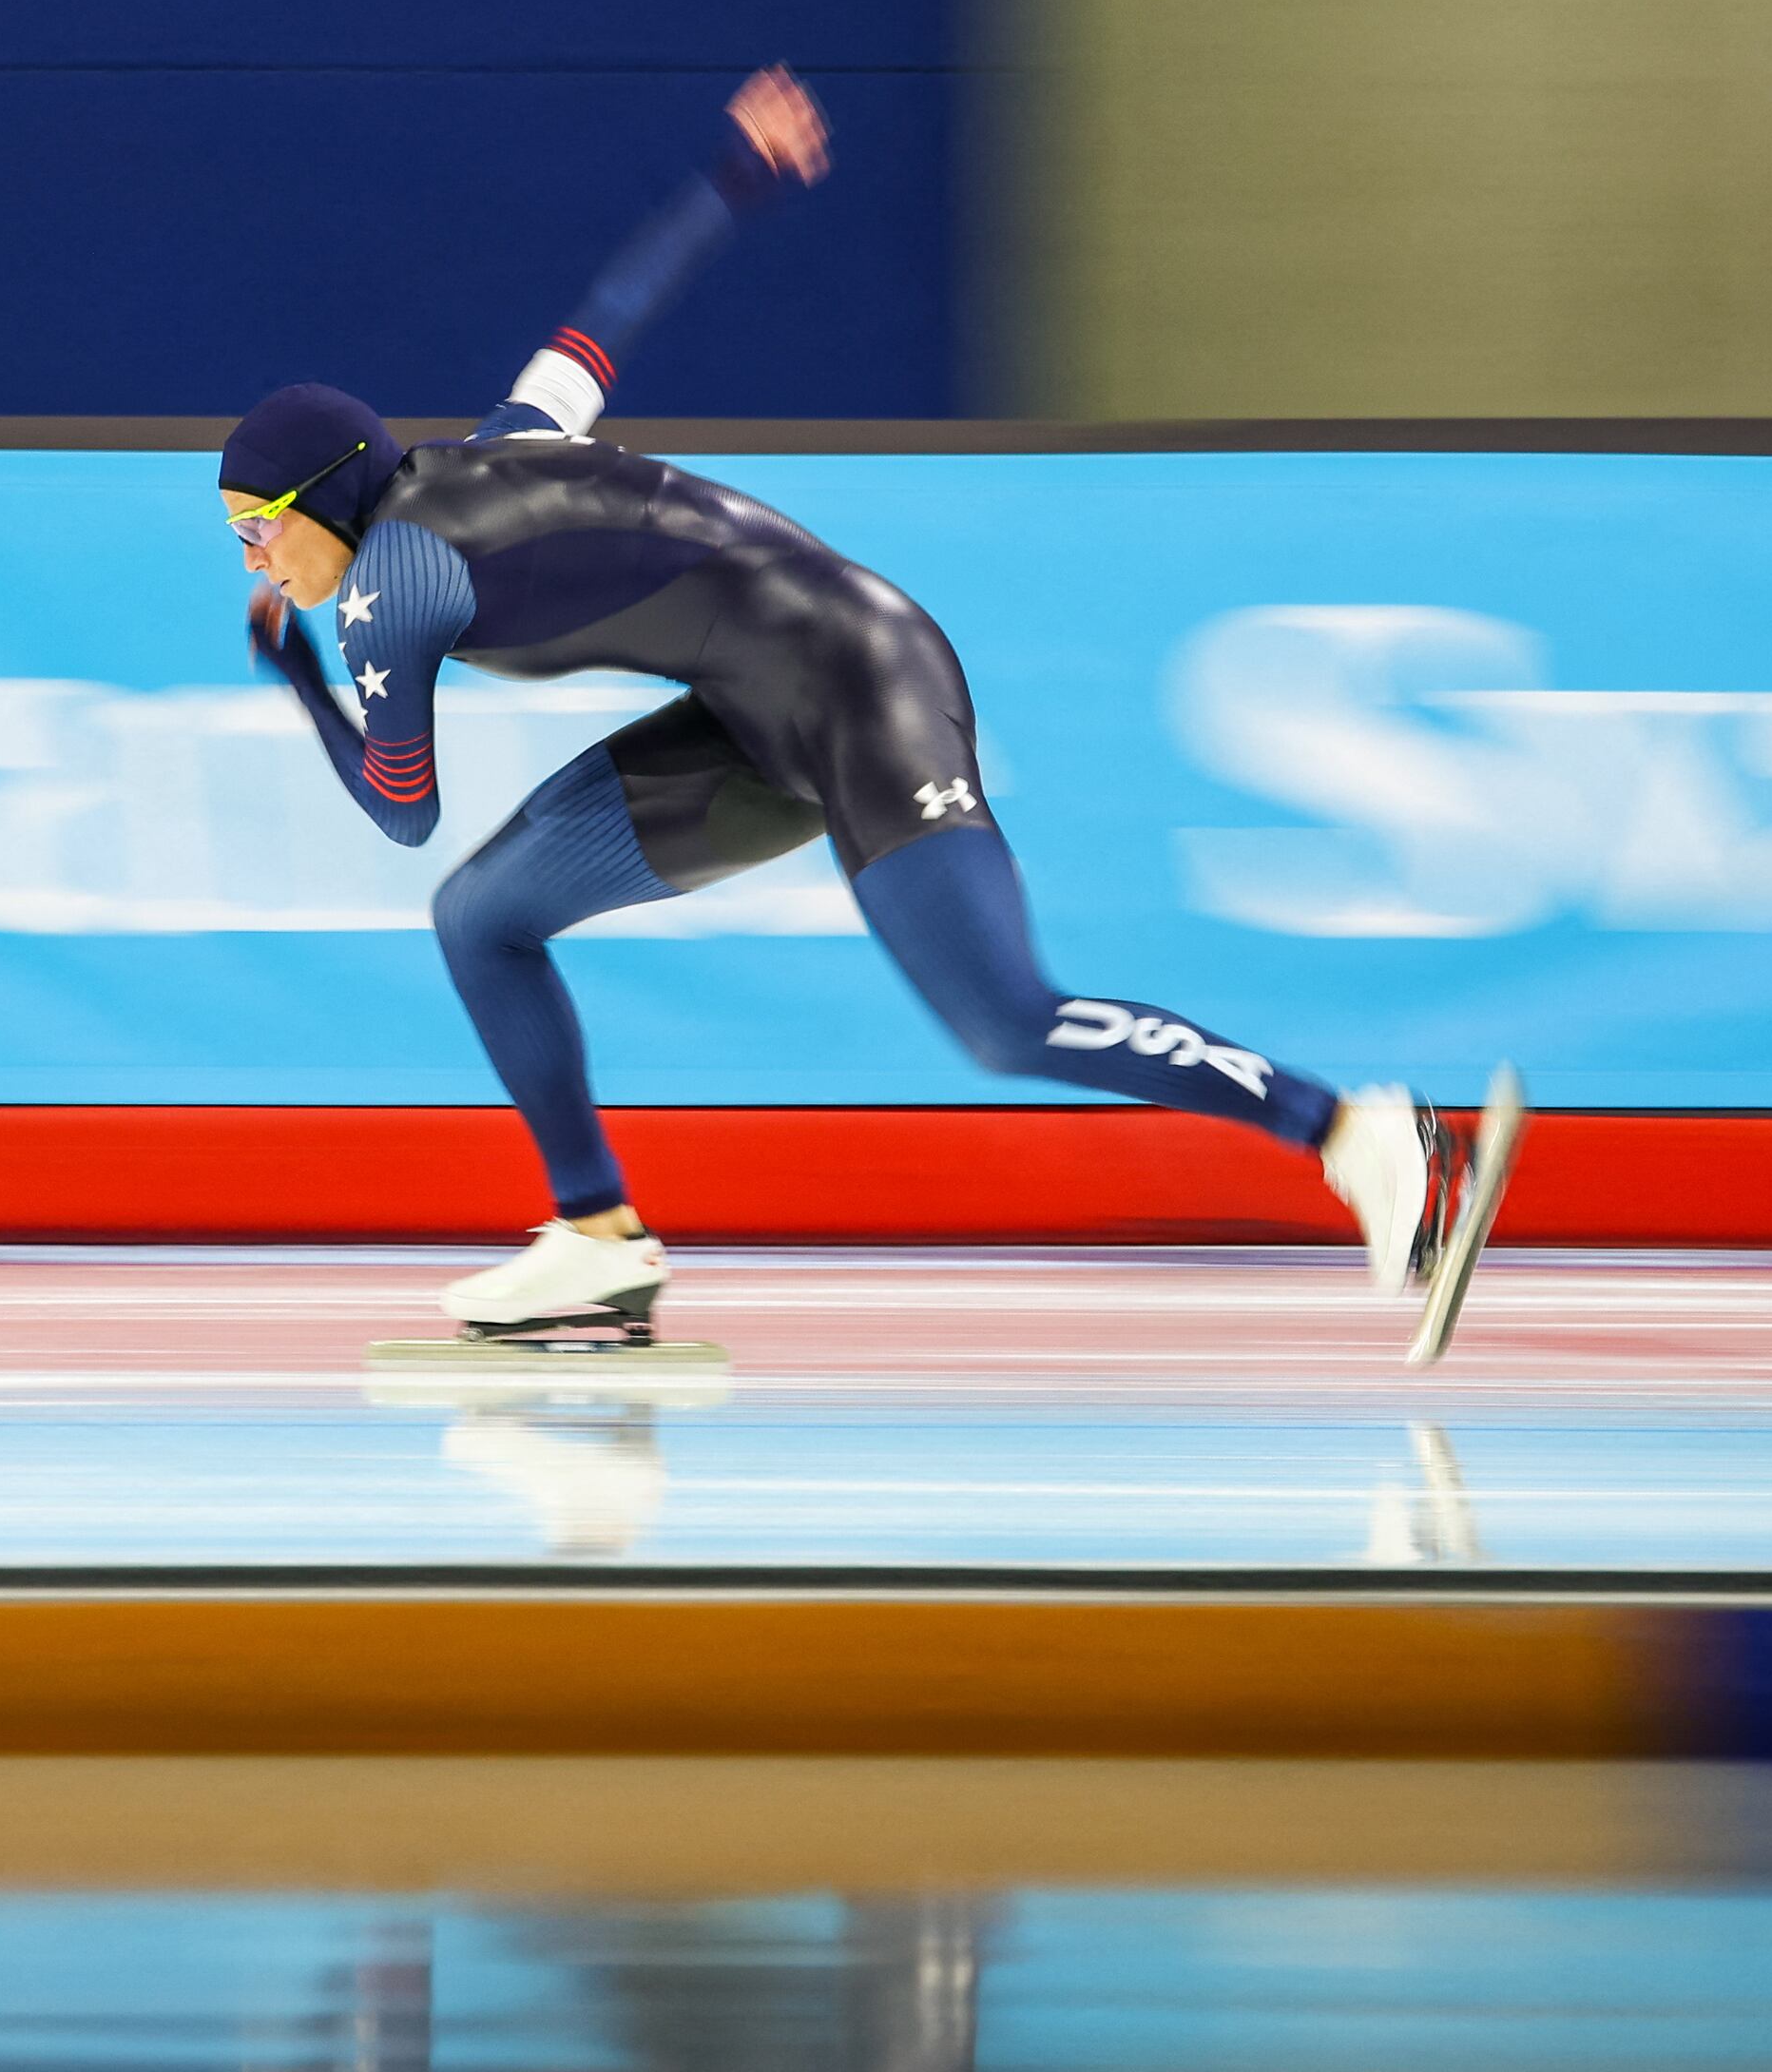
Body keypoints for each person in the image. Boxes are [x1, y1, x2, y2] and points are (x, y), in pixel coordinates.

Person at [222, 68, 1473, 1346]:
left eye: (256, 532)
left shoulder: (387, 585)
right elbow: (603, 323)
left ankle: (1357, 1132)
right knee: (483, 916)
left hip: (867, 690)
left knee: (1006, 1021)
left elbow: (401, 808)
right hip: (757, 715)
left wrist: (302, 681)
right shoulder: (502, 440)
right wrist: (736, 176)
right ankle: (595, 1242)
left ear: (326, 499)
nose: (256, 565)